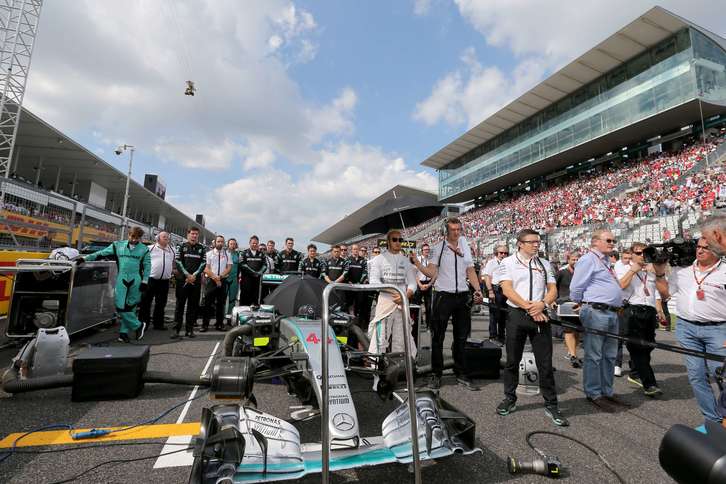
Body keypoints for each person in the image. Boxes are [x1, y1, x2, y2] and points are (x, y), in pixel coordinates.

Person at [496, 229, 568, 427]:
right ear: (520, 243)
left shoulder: (544, 264)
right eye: (532, 242)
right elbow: (507, 290)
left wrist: (542, 304)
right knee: (512, 360)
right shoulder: (507, 262)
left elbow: (553, 290)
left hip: (540, 314)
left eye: (538, 242)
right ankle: (509, 399)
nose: (537, 245)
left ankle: (552, 404)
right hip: (517, 315)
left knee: (545, 363)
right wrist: (530, 307)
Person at [413, 217, 483, 390]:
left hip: (462, 296)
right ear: (445, 231)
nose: (456, 232)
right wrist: (416, 262)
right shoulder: (438, 248)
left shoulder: (465, 247)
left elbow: (470, 270)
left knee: (461, 336)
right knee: (438, 337)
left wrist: (478, 289)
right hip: (443, 296)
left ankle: (461, 372)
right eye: (453, 229)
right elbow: (431, 272)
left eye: (459, 229)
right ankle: (436, 374)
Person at [666, 237, 726, 422]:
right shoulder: (682, 270)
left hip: (718, 329)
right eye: (698, 247)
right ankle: (712, 421)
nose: (699, 251)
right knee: (696, 377)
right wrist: (659, 275)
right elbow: (666, 293)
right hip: (687, 329)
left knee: (722, 376)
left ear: (716, 251)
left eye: (705, 248)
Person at [569, 229, 628, 413]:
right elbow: (576, 287)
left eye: (614, 240)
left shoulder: (605, 261)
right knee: (594, 355)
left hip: (611, 312)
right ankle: (594, 393)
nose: (612, 243)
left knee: (610, 355)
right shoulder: (588, 259)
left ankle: (606, 391)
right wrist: (583, 303)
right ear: (595, 242)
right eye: (608, 240)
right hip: (596, 311)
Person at [614, 242, 669, 397]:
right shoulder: (622, 267)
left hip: (649, 310)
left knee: (649, 345)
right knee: (637, 347)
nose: (641, 256)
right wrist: (633, 270)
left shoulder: (651, 269)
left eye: (644, 253)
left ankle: (635, 370)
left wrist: (659, 307)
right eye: (638, 253)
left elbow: (661, 293)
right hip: (631, 309)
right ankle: (650, 384)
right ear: (631, 254)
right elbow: (620, 286)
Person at [78, 226, 150, 343]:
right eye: (132, 237)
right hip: (121, 277)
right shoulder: (118, 245)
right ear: (128, 235)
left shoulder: (144, 249)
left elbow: (147, 266)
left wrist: (145, 281)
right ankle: (138, 325)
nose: (134, 240)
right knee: (119, 305)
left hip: (136, 279)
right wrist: (85, 258)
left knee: (130, 306)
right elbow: (101, 253)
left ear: (140, 238)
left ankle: (123, 333)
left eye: (137, 238)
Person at [368, 229, 418, 372]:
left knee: (401, 340)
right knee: (380, 341)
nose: (398, 242)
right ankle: (377, 375)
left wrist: (406, 294)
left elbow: (413, 283)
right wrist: (394, 291)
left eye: (400, 240)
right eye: (394, 240)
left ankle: (400, 372)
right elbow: (374, 282)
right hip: (385, 305)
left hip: (402, 304)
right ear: (388, 242)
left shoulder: (406, 261)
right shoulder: (378, 259)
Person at [173, 227, 206, 338]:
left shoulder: (202, 248)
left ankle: (189, 330)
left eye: (196, 234)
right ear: (188, 234)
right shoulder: (181, 246)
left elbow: (203, 263)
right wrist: (187, 275)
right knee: (180, 306)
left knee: (192, 307)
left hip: (195, 282)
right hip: (183, 280)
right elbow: (178, 261)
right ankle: (176, 330)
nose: (194, 236)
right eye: (192, 234)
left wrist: (194, 275)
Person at [139, 231, 175, 330]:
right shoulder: (150, 249)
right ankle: (143, 324)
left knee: (161, 303)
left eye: (167, 237)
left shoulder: (172, 250)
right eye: (164, 236)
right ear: (158, 238)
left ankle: (158, 324)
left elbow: (174, 263)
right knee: (146, 302)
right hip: (150, 279)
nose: (166, 238)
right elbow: (141, 262)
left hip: (164, 281)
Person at [555, 251, 582, 368]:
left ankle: (572, 352)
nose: (575, 262)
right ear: (568, 260)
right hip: (565, 305)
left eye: (577, 260)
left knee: (576, 331)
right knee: (569, 330)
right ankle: (573, 355)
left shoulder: (582, 273)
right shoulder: (561, 272)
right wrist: (553, 301)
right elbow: (553, 287)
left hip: (579, 305)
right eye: (573, 260)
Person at [202, 235, 232, 332]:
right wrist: (215, 277)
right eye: (218, 241)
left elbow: (229, 268)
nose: (220, 243)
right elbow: (206, 268)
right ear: (215, 242)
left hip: (222, 280)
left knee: (221, 304)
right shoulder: (209, 254)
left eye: (222, 242)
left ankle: (219, 324)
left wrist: (220, 277)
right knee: (208, 303)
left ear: (224, 243)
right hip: (211, 280)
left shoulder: (228, 254)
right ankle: (205, 324)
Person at [482, 244, 508, 345]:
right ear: (496, 253)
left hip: (506, 290)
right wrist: (490, 291)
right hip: (495, 290)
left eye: (506, 253)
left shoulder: (509, 263)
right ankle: (493, 336)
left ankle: (502, 336)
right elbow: (487, 277)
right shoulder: (491, 263)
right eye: (501, 253)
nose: (503, 255)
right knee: (494, 315)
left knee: (504, 315)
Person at [613, 248, 633, 377]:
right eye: (625, 258)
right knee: (619, 336)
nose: (627, 261)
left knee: (633, 336)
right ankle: (617, 364)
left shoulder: (637, 266)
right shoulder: (618, 266)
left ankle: (634, 363)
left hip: (634, 303)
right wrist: (633, 271)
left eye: (629, 258)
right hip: (621, 304)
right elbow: (622, 284)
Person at [239, 235, 267, 306]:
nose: (254, 244)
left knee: (255, 298)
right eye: (253, 243)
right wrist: (253, 272)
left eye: (256, 243)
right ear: (249, 243)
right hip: (246, 280)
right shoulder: (244, 253)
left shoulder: (261, 254)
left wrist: (259, 272)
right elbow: (242, 265)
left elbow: (265, 265)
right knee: (245, 298)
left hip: (257, 279)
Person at [345, 244, 369, 325]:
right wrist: (348, 281)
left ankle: (359, 324)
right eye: (354, 249)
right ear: (351, 250)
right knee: (350, 305)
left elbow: (365, 273)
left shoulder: (363, 260)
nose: (355, 250)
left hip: (359, 287)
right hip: (349, 287)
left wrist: (359, 282)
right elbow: (345, 273)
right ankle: (350, 323)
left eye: (357, 249)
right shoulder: (347, 260)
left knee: (359, 306)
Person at [414, 243, 434, 331]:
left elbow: (434, 273)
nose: (427, 251)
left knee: (428, 306)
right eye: (425, 250)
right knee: (417, 305)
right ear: (422, 251)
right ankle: (417, 324)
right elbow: (414, 274)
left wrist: (429, 284)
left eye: (428, 250)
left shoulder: (431, 260)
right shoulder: (418, 260)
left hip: (428, 284)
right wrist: (420, 285)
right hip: (419, 284)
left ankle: (429, 325)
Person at [225, 238, 240, 318]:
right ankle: (220, 318)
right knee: (222, 299)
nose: (233, 245)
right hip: (225, 278)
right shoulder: (224, 253)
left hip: (234, 279)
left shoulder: (238, 254)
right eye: (231, 244)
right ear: (228, 245)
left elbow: (240, 267)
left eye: (234, 244)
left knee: (232, 299)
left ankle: (230, 317)